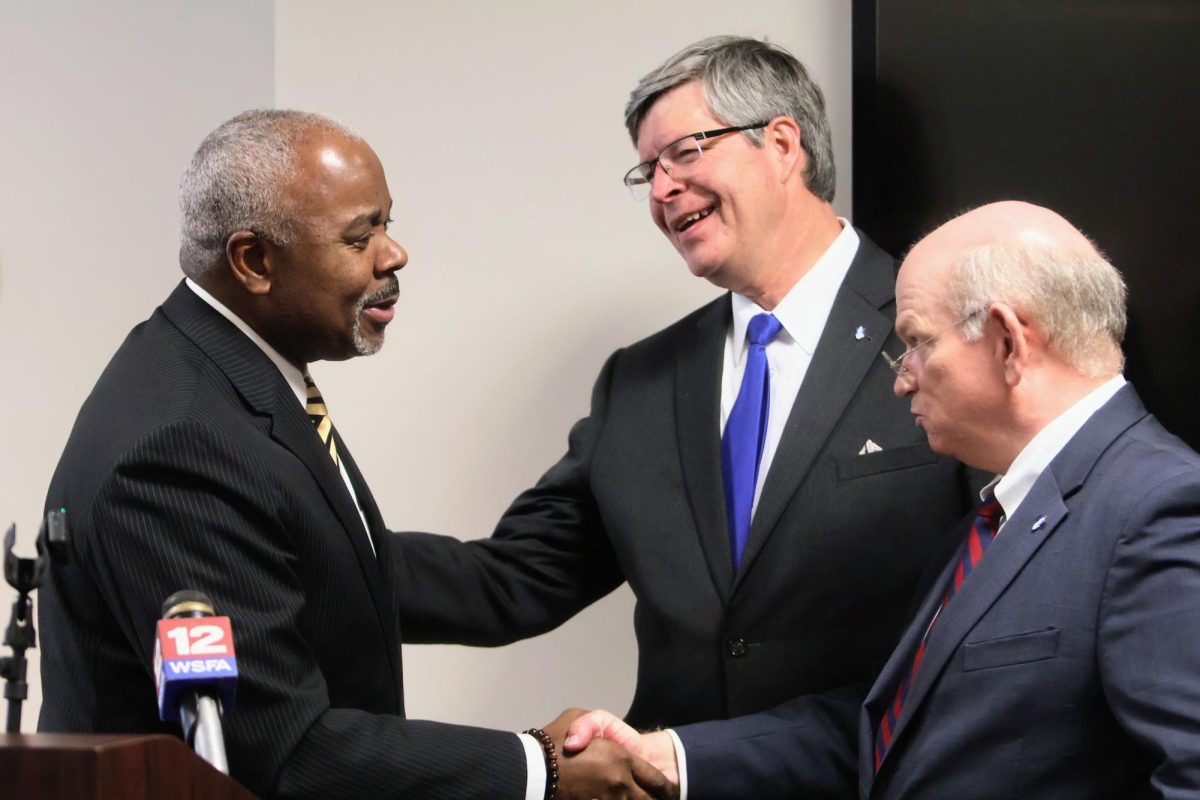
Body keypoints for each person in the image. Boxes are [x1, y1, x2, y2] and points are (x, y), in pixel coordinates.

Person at [37, 109, 673, 800]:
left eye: (387, 223)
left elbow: (340, 565)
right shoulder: (177, 449)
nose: (393, 254)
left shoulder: (223, 371)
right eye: (361, 234)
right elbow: (287, 751)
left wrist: (637, 496)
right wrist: (539, 768)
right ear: (254, 261)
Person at [393, 35, 976, 730]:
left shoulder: (948, 331)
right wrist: (312, 546)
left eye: (686, 153)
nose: (663, 189)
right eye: (648, 172)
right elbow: (508, 581)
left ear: (783, 145)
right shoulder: (639, 384)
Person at [566, 200, 1200, 799]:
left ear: (1009, 341)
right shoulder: (996, 517)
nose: (901, 380)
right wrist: (670, 757)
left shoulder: (1161, 509)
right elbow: (889, 732)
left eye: (918, 343)